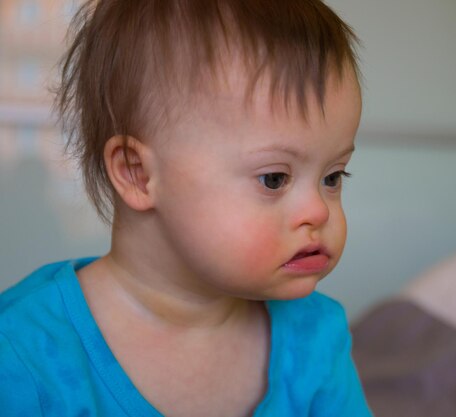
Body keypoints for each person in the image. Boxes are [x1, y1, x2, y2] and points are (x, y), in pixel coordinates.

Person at [0, 1, 372, 416]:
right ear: (138, 174)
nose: (318, 211)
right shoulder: (21, 353)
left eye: (333, 177)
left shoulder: (315, 337)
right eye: (274, 179)